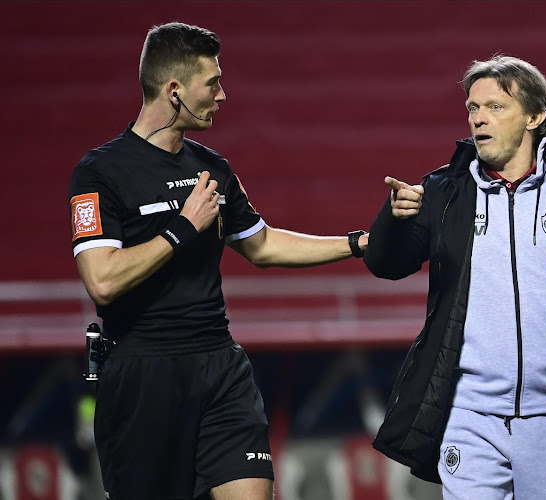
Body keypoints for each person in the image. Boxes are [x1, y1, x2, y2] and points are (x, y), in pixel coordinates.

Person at [68, 22, 368, 500]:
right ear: (174, 90)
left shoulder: (212, 168)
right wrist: (182, 229)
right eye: (213, 83)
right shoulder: (99, 173)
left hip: (219, 365)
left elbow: (263, 245)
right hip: (143, 372)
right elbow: (102, 281)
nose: (223, 95)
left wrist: (357, 244)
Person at [364, 55, 546, 499]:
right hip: (468, 415)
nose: (478, 119)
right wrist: (392, 220)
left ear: (535, 116)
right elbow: (386, 264)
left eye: (495, 107)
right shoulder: (443, 192)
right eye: (472, 108)